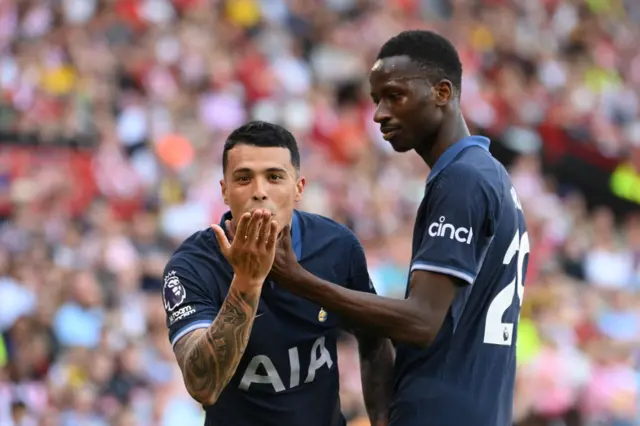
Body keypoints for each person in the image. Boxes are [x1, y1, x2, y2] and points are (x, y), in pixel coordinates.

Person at [268, 30, 529, 426]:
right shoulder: (488, 174)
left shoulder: (463, 181)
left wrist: (300, 280)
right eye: (376, 100)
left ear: (442, 93)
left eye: (394, 96)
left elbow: (422, 321)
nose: (379, 114)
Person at [162, 121, 394, 426]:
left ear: (298, 188)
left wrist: (382, 419)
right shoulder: (191, 266)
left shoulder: (336, 247)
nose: (260, 192)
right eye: (244, 178)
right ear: (225, 191)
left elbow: (375, 339)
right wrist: (247, 282)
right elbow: (202, 386)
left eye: (274, 177)